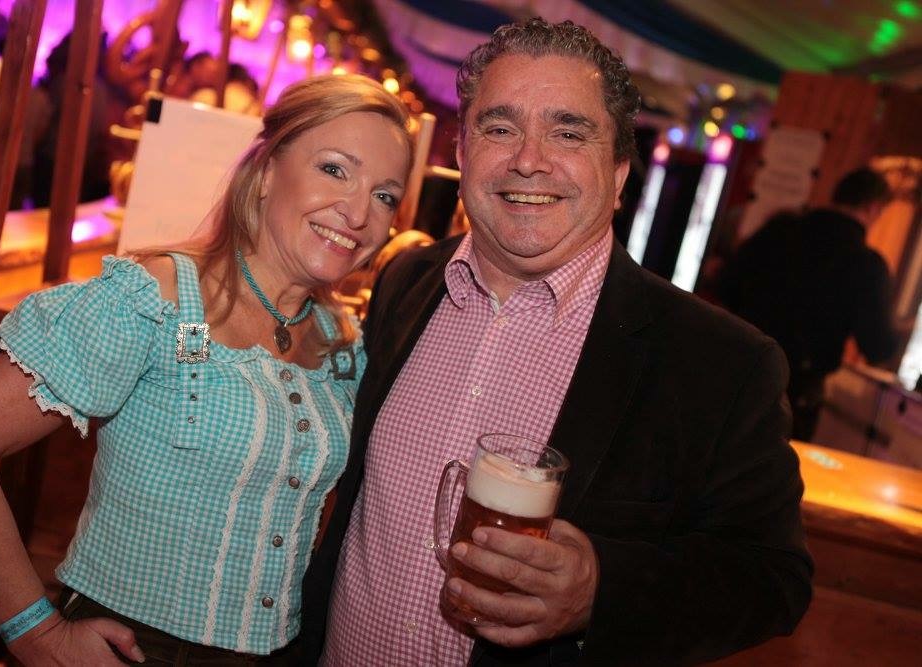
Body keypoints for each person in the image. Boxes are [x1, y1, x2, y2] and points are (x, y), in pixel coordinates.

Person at [301, 18, 813, 666]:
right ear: (463, 152)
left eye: (568, 132)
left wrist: (601, 587)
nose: (528, 159)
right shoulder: (406, 280)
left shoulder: (721, 363)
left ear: (619, 171)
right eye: (500, 127)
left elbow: (772, 576)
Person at [0, 74, 411, 665]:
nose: (358, 212)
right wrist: (36, 633)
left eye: (385, 195)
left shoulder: (344, 344)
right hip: (135, 649)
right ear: (264, 173)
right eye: (334, 169)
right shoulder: (156, 301)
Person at [720, 167, 898, 441]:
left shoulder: (781, 228)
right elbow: (877, 345)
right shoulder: (867, 264)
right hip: (793, 394)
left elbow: (727, 283)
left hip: (735, 368)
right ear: (873, 208)